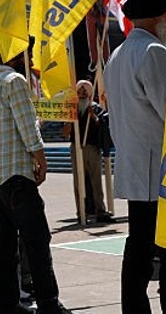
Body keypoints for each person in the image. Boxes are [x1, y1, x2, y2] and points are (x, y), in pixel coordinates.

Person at [105, 0, 166, 314]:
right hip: (161, 171)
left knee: (138, 249)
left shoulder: (119, 54)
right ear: (159, 16)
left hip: (136, 166)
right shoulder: (154, 52)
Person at [0, 48, 71, 314]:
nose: (31, 62)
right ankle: (49, 304)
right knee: (37, 240)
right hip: (16, 175)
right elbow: (28, 127)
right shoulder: (14, 81)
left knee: (4, 245)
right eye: (27, 55)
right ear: (16, 56)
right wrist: (41, 159)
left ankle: (7, 304)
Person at [65, 79, 114, 224]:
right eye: (79, 90)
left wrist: (94, 118)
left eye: (85, 90)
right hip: (76, 148)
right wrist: (68, 122)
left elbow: (103, 126)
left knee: (96, 180)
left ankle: (100, 210)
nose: (82, 93)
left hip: (92, 148)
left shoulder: (96, 108)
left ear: (90, 92)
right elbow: (65, 132)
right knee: (78, 182)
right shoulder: (72, 109)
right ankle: (81, 211)